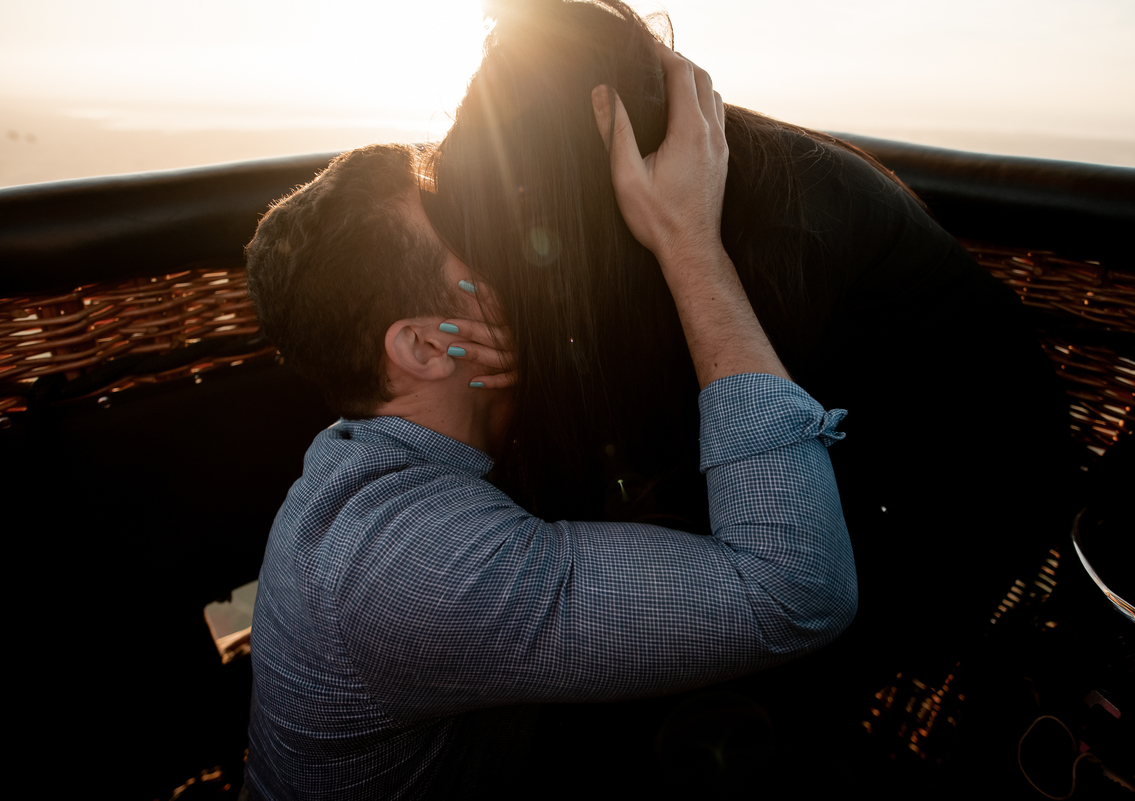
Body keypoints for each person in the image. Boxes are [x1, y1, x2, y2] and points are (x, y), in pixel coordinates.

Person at [421, 0, 1078, 787]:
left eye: (528, 207)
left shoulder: (766, 239)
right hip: (835, 469)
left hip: (945, 509)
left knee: (672, 708)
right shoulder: (623, 213)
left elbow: (756, 505)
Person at [242, 49, 856, 800]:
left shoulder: (365, 462)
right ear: (427, 346)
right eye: (461, 223)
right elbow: (795, 588)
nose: (499, 233)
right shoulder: (412, 567)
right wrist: (690, 245)